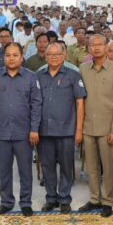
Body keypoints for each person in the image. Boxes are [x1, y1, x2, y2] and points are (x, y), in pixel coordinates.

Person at [0, 42, 42, 216]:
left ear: (21, 57)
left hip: (24, 133)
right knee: (4, 170)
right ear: (3, 57)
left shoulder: (31, 77)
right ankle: (6, 201)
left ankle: (25, 202)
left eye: (15, 55)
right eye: (8, 55)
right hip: (2, 132)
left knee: (25, 170)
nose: (11, 58)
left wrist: (34, 129)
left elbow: (36, 105)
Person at [78, 34, 113, 217]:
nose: (96, 47)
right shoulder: (83, 69)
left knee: (108, 166)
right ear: (88, 48)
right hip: (88, 126)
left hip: (108, 128)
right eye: (93, 45)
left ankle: (107, 201)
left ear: (106, 47)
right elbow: (80, 100)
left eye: (100, 44)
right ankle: (94, 198)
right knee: (91, 166)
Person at [36, 42, 85, 213]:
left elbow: (80, 103)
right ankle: (51, 198)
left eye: (57, 54)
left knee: (66, 166)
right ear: (45, 56)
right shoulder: (38, 76)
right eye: (50, 54)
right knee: (47, 166)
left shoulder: (73, 75)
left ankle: (64, 198)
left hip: (66, 130)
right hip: (44, 130)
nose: (54, 57)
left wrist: (79, 130)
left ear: (64, 55)